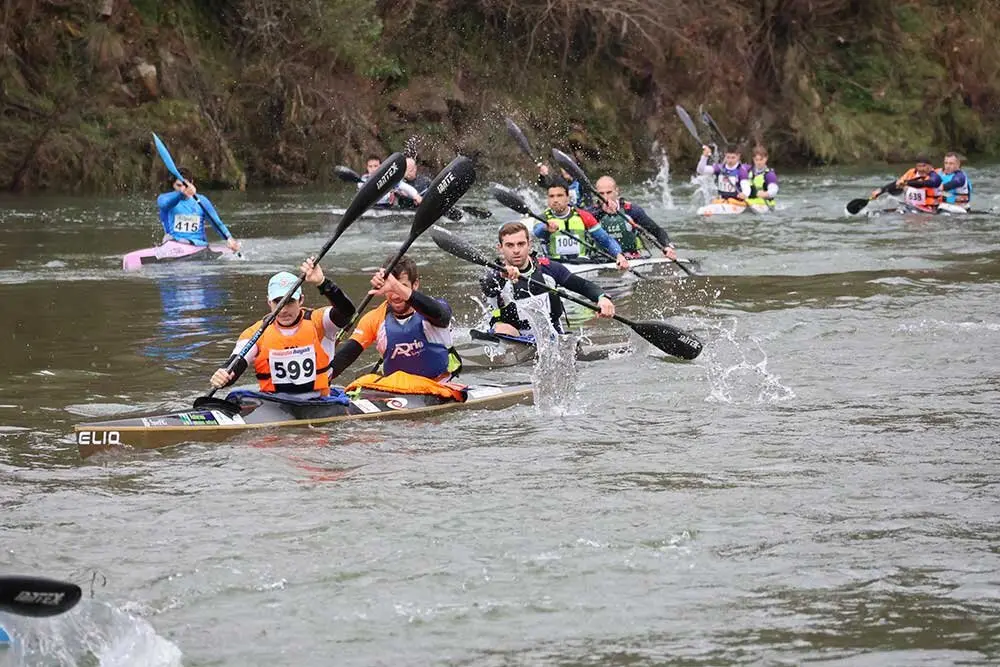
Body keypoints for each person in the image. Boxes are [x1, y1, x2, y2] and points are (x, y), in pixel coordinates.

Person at [209, 258, 356, 396]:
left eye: (290, 302)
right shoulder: (255, 332)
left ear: (301, 300)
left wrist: (323, 283)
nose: (284, 309)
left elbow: (347, 312)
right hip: (275, 402)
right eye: (278, 302)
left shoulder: (320, 321)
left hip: (317, 401)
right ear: (269, 302)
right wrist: (223, 375)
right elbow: (237, 362)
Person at [328, 256, 460, 385]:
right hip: (396, 388)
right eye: (390, 288)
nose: (396, 295)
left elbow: (441, 315)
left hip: (438, 386)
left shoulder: (433, 308)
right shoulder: (374, 319)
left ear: (415, 285)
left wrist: (395, 285)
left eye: (401, 286)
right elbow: (344, 358)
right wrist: (315, 383)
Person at [482, 221, 616, 337]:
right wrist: (503, 274)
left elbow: (582, 286)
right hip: (511, 334)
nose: (516, 250)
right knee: (502, 329)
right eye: (510, 245)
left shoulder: (549, 268)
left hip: (550, 334)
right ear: (500, 248)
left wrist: (602, 297)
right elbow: (487, 287)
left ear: (529, 245)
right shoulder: (495, 274)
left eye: (521, 244)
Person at [533, 182, 630, 270]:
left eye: (559, 195)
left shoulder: (584, 216)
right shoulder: (542, 218)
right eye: (552, 196)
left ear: (568, 198)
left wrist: (619, 255)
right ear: (548, 199)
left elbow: (606, 240)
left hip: (583, 265)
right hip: (555, 265)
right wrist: (545, 228)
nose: (555, 200)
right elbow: (537, 232)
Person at [590, 176, 677, 260]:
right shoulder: (592, 213)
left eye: (609, 192)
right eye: (601, 193)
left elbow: (657, 231)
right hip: (602, 258)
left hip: (631, 257)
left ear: (616, 191)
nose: (605, 197)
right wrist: (602, 211)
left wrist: (668, 247)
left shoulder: (632, 210)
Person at [156, 168, 240, 251]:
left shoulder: (202, 201)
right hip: (172, 244)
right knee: (170, 240)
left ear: (191, 183)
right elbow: (164, 204)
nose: (182, 188)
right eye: (178, 185)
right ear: (173, 185)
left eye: (185, 185)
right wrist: (181, 194)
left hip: (199, 246)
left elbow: (217, 223)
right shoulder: (164, 198)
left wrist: (229, 238)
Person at [872, 156, 942, 213]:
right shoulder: (911, 172)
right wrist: (881, 190)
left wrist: (907, 183)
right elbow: (898, 183)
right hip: (911, 207)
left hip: (930, 209)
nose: (921, 169)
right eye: (918, 166)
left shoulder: (935, 176)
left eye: (923, 166)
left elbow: (929, 183)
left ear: (930, 167)